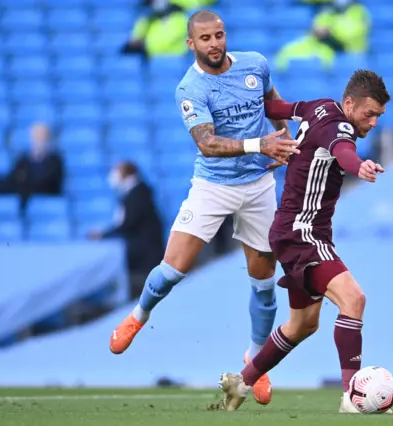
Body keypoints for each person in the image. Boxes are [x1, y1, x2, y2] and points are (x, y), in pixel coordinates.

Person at [108, 10, 299, 406]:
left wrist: (287, 137)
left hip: (258, 185)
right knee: (171, 270)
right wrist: (259, 144)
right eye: (205, 38)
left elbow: (272, 103)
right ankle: (137, 317)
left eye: (219, 35)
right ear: (190, 44)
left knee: (264, 283)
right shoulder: (189, 88)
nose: (215, 43)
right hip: (213, 186)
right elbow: (207, 143)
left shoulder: (254, 65)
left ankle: (256, 359)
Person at [216, 70, 392, 414]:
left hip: (292, 230)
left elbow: (279, 107)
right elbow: (344, 153)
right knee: (354, 299)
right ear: (349, 103)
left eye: (378, 116)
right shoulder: (339, 127)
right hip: (303, 232)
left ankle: (241, 382)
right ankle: (351, 398)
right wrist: (361, 167)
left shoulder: (319, 107)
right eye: (368, 113)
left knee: (303, 325)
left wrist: (238, 104)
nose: (372, 123)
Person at [89, 161, 165, 299]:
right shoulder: (135, 194)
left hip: (145, 254)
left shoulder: (138, 195)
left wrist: (103, 235)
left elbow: (128, 224)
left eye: (117, 172)